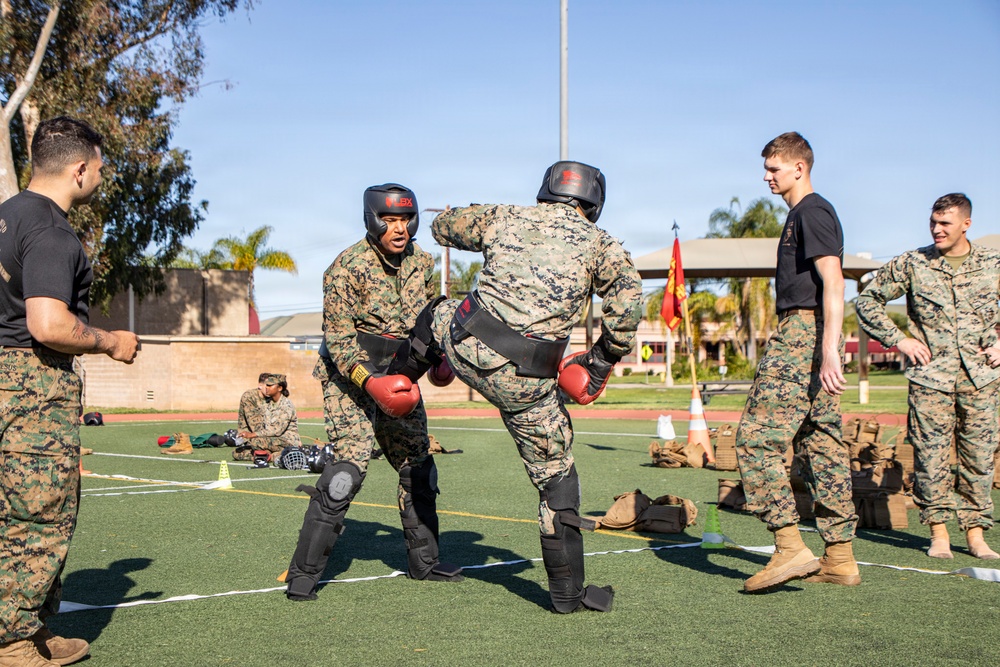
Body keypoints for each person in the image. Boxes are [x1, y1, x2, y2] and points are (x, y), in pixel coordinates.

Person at [399, 161, 642, 613]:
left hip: (464, 342)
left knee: (435, 312)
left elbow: (440, 227)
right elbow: (628, 307)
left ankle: (397, 382)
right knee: (558, 483)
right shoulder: (601, 244)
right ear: (594, 202)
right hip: (527, 383)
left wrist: (468, 217)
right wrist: (600, 362)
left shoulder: (506, 216)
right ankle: (568, 596)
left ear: (547, 190)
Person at [0, 117, 140, 666]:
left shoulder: (6, 217)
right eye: (100, 167)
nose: (100, 176)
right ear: (80, 168)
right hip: (32, 384)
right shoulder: (52, 230)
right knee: (40, 512)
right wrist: (110, 341)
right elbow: (48, 324)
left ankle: (29, 629)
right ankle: (13, 642)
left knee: (10, 510)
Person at [284, 183, 462, 601]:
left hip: (400, 374)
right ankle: (303, 575)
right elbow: (341, 343)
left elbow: (428, 316)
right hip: (351, 378)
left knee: (418, 466)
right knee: (347, 471)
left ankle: (426, 562)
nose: (399, 229)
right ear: (372, 220)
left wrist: (440, 356)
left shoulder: (422, 261)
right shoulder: (345, 267)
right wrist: (372, 382)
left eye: (405, 220)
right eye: (390, 220)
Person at [735, 132, 859, 592]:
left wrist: (828, 349)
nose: (766, 177)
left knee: (755, 438)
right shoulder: (800, 214)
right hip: (810, 333)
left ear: (799, 168)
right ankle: (840, 558)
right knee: (820, 442)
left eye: (774, 169)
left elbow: (835, 281)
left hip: (804, 334)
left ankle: (790, 547)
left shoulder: (812, 211)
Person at [857, 193, 1000, 560]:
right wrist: (899, 340)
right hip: (931, 380)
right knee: (931, 457)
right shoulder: (913, 263)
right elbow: (867, 301)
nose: (937, 230)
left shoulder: (992, 263)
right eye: (933, 223)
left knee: (979, 459)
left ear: (966, 224)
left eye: (945, 224)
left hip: (982, 378)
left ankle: (976, 534)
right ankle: (938, 533)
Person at [233, 372, 301, 462]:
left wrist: (252, 435)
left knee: (256, 442)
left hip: (286, 440)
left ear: (280, 388)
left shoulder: (286, 405)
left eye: (270, 385)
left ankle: (284, 453)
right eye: (266, 385)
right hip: (271, 441)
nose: (266, 388)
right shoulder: (269, 403)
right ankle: (272, 456)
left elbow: (276, 430)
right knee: (237, 453)